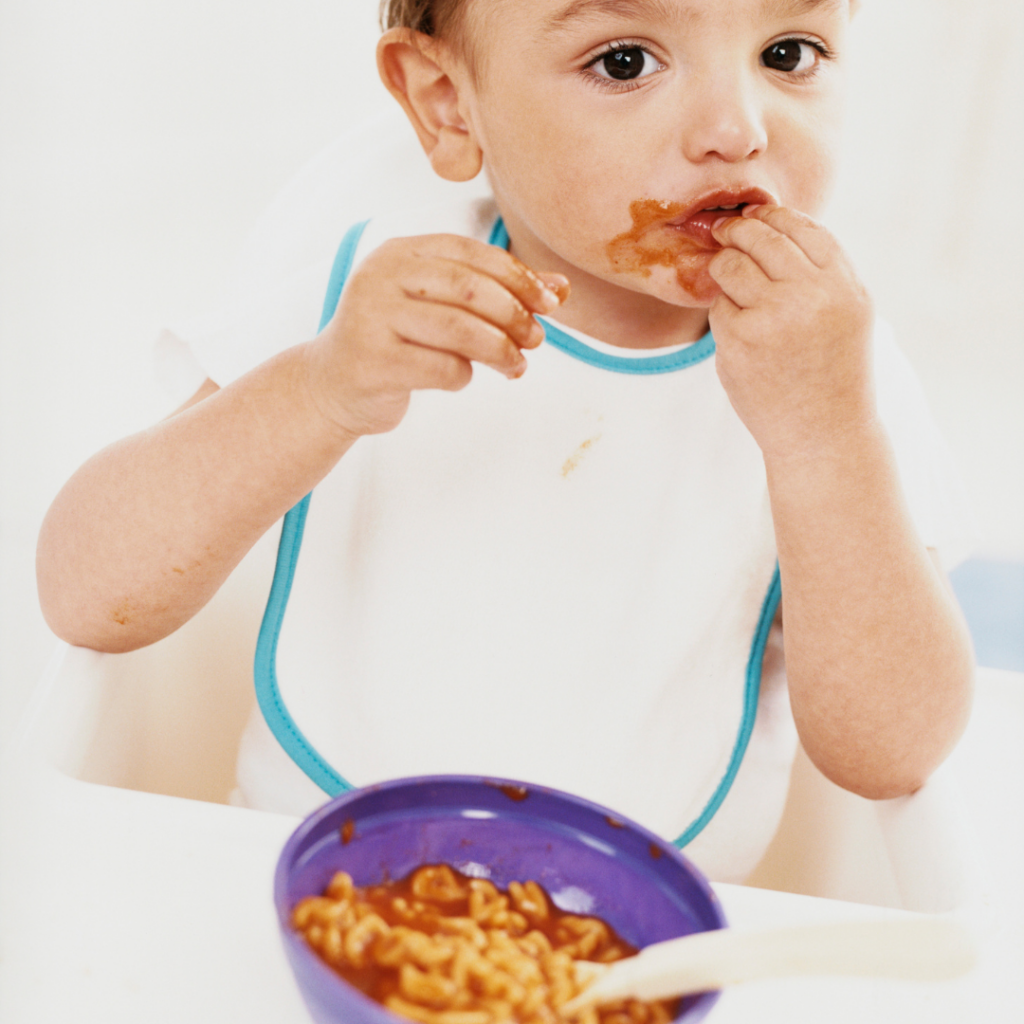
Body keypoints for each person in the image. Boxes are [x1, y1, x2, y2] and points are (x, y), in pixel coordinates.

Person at [36, 0, 975, 882]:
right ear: (449, 105)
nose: (738, 128)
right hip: (298, 900)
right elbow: (87, 594)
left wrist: (825, 442)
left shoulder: (834, 374)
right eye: (624, 60)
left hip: (654, 957)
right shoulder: (361, 312)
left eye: (788, 54)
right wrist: (320, 390)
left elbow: (895, 755)